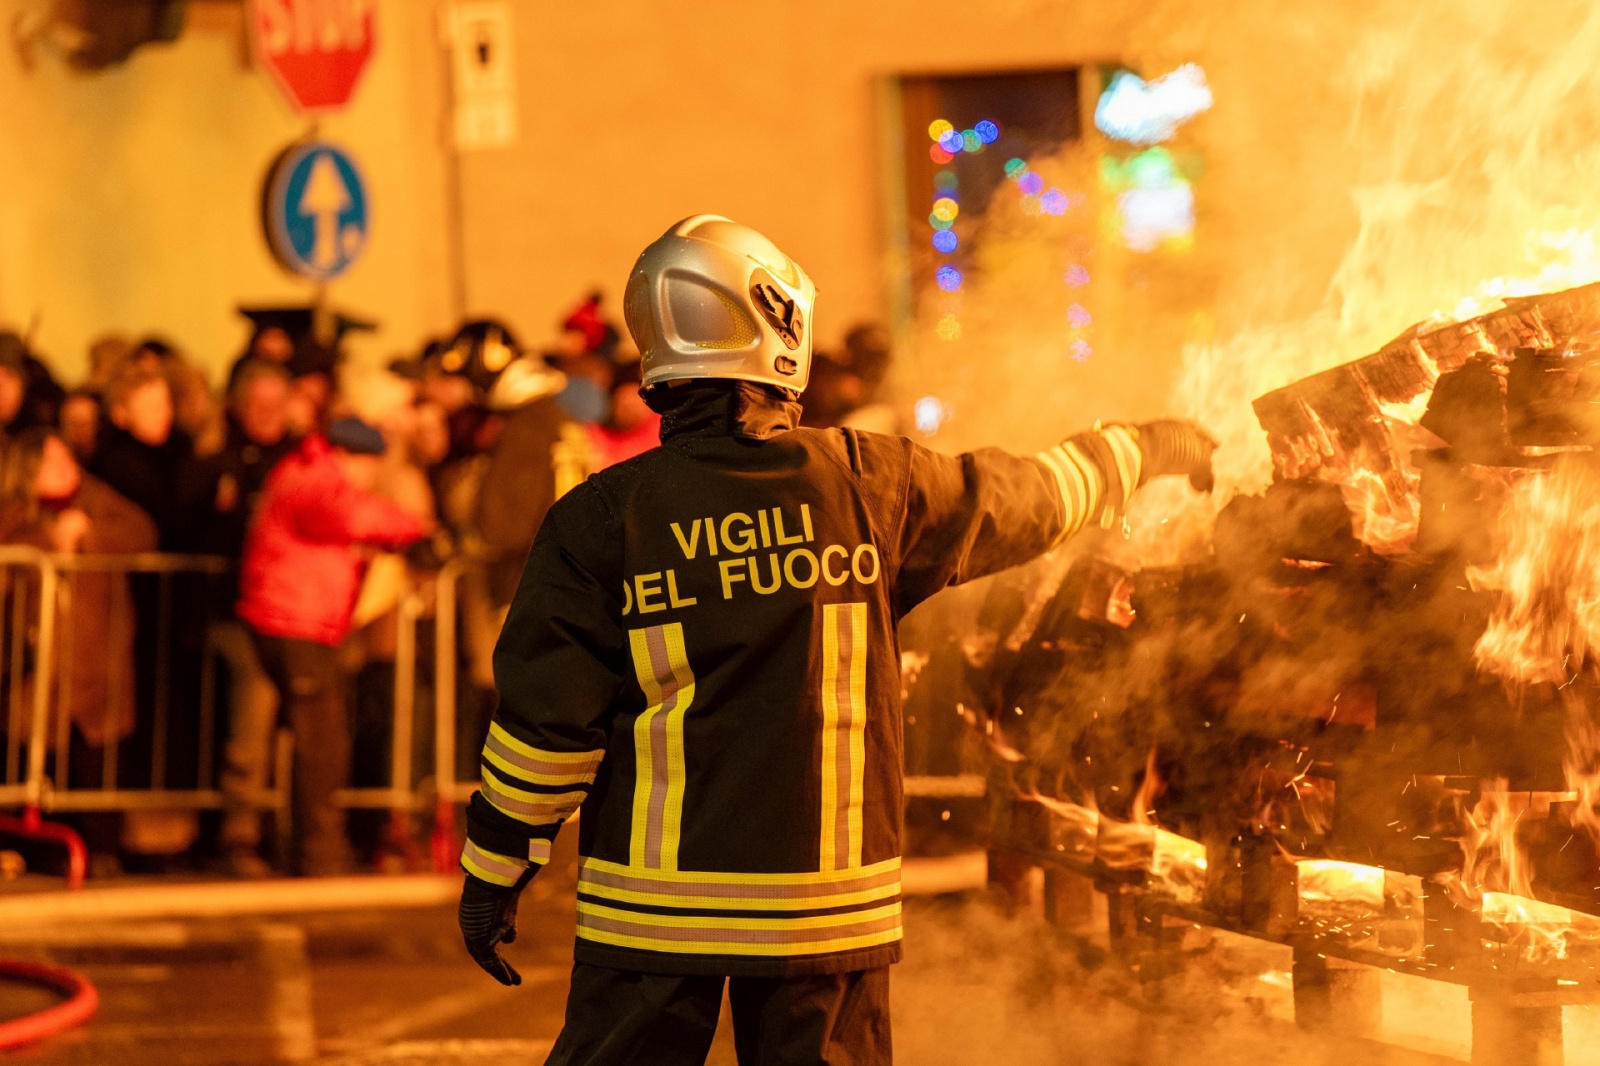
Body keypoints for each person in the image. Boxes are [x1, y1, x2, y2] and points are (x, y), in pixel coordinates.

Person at [454, 215, 1217, 1065]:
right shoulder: (867, 484)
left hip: (652, 916)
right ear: (778, 329)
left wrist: (495, 869)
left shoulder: (600, 520)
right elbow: (1028, 498)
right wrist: (1143, 448)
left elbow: (540, 733)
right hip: (823, 912)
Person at [236, 417, 431, 876]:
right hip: (293, 623)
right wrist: (415, 528)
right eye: (369, 467)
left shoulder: (305, 472)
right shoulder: (314, 478)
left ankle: (301, 845)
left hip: (298, 622)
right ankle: (318, 852)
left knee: (312, 741)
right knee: (322, 746)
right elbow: (348, 515)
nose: (369, 479)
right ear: (349, 455)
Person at [0, 428, 158, 873]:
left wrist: (88, 532)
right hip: (35, 661)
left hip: (97, 659)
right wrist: (49, 540)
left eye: (66, 459)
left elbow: (143, 531)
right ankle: (31, 846)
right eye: (51, 463)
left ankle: (102, 848)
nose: (64, 468)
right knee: (31, 752)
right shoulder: (15, 511)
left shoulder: (97, 499)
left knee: (98, 755)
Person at [204, 360, 298, 873]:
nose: (268, 415)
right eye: (258, 405)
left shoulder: (302, 457)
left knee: (306, 713)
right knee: (255, 705)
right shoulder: (220, 457)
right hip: (238, 610)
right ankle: (239, 832)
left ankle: (292, 830)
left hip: (293, 611)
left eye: (276, 404)